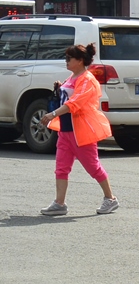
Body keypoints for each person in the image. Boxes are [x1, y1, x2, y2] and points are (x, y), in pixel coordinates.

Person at [39, 44, 119, 216]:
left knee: (93, 167)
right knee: (61, 168)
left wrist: (52, 114)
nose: (66, 61)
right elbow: (69, 97)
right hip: (66, 131)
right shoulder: (73, 77)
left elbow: (75, 102)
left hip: (82, 132)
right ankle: (59, 203)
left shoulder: (88, 79)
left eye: (69, 58)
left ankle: (110, 198)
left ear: (80, 60)